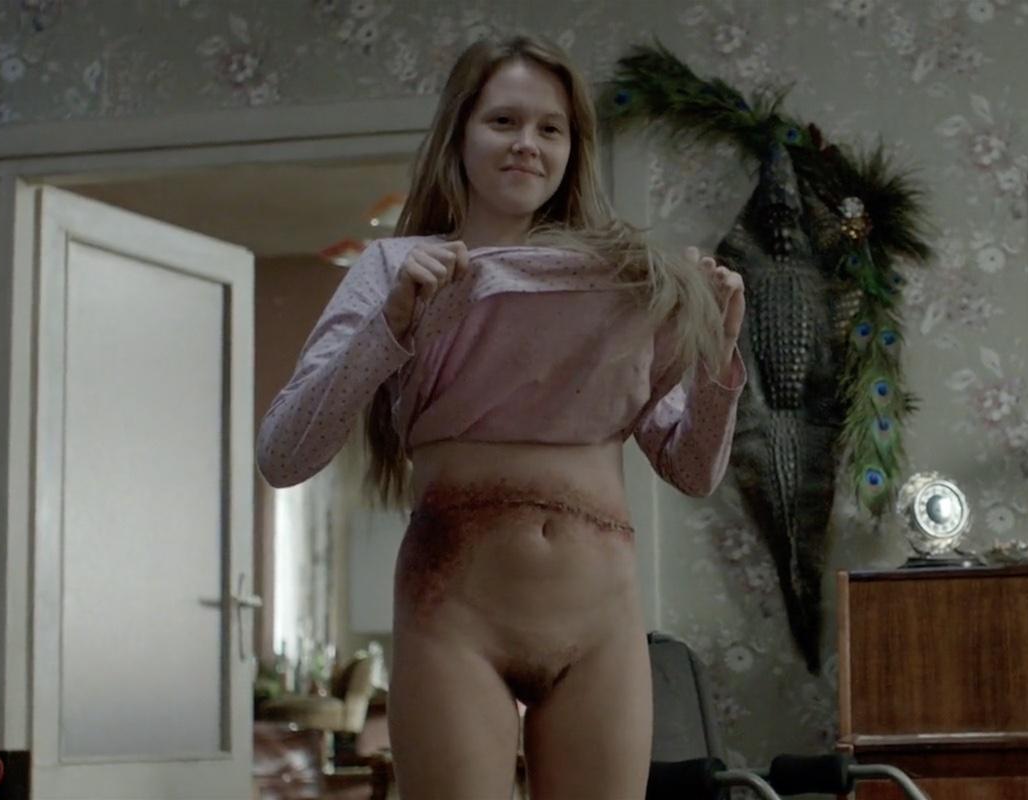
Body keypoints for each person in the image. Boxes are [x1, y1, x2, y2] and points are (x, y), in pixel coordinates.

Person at [257, 35, 747, 799]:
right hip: (455, 617)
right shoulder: (393, 268)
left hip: (601, 628)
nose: (527, 144)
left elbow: (691, 469)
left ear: (572, 150)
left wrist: (718, 358)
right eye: (503, 121)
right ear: (459, 135)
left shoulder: (625, 282)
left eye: (551, 128)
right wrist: (391, 324)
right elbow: (284, 455)